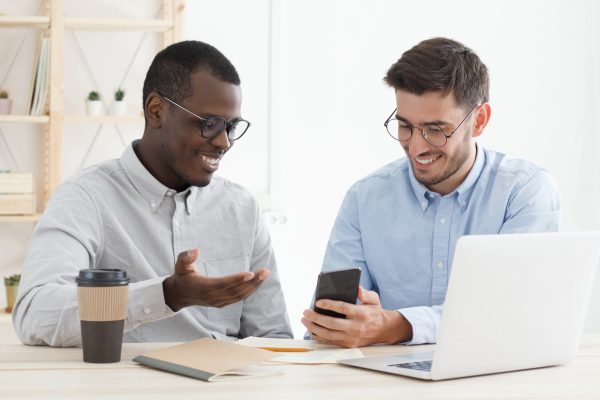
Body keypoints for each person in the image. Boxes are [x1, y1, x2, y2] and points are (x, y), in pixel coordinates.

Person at [13, 40, 292, 346]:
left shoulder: (242, 208)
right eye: (210, 124)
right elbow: (34, 313)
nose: (224, 142)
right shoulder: (86, 198)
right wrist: (166, 295)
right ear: (156, 111)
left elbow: (273, 338)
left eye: (232, 126)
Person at [301, 37, 560, 348]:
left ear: (479, 120)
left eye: (436, 129)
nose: (417, 146)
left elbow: (505, 312)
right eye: (405, 126)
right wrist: (341, 325)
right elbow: (330, 323)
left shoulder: (524, 192)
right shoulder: (364, 199)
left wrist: (397, 326)